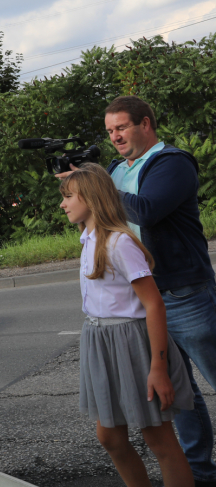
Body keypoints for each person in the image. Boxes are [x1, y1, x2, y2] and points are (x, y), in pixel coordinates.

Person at [80, 95, 216, 487]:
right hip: (144, 300)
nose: (115, 136)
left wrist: (100, 187)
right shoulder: (114, 169)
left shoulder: (172, 162)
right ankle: (201, 473)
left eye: (121, 127)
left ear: (145, 124)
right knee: (180, 395)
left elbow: (148, 209)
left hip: (183, 293)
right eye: (109, 131)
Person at [59, 163, 193, 487]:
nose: (63, 204)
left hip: (131, 343)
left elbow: (154, 304)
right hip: (100, 340)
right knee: (110, 436)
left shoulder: (119, 243)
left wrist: (158, 368)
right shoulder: (87, 238)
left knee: (158, 438)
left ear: (90, 198)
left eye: (69, 196)